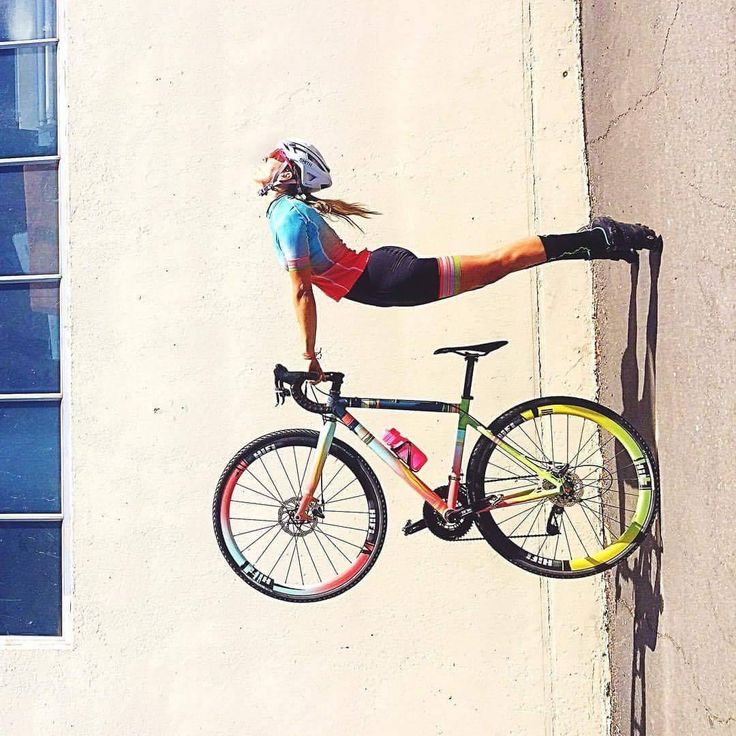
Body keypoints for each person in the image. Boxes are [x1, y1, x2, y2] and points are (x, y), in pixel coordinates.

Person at [255, 139, 662, 382]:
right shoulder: (284, 213)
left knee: (500, 261)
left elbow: (302, 291)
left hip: (394, 279)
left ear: (289, 173)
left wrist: (309, 357)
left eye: (273, 157)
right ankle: (600, 241)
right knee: (499, 265)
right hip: (386, 278)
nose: (266, 160)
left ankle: (605, 237)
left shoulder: (289, 216)